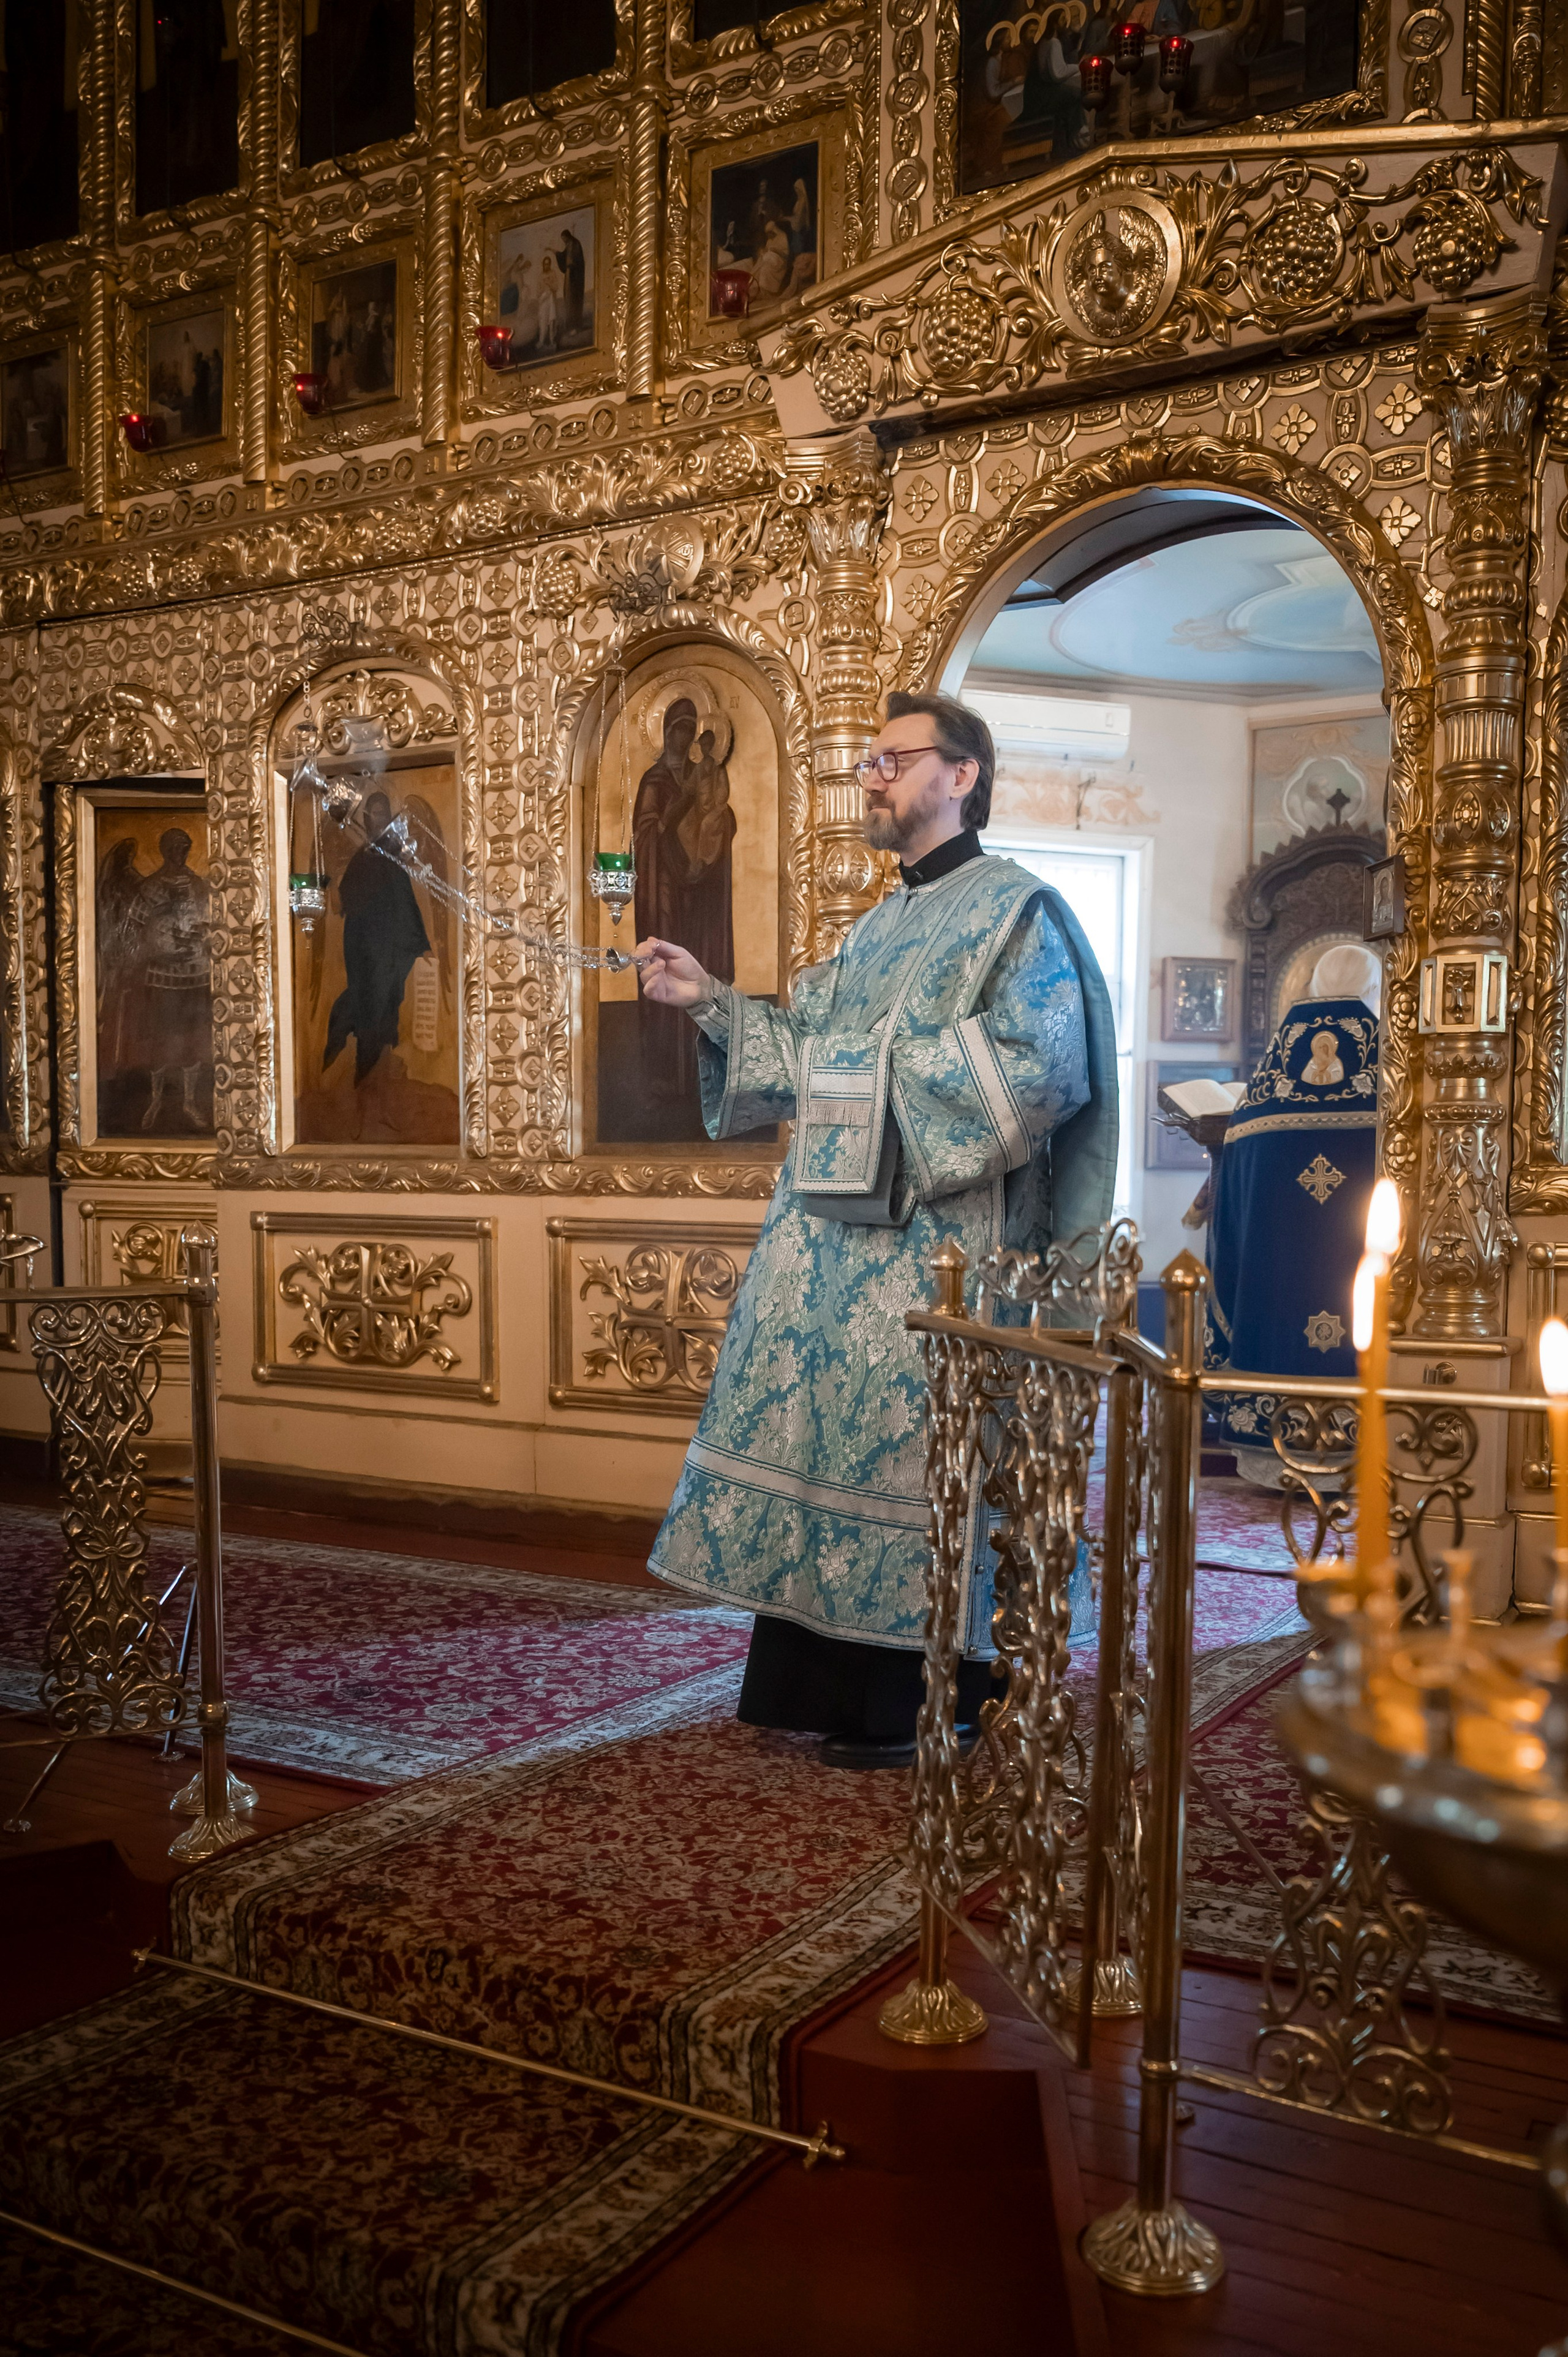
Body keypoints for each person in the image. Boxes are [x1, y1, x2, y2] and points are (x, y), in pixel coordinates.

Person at [636, 692, 1119, 1767]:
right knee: (827, 1443)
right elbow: (806, 1049)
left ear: (962, 775)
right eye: (869, 759)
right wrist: (709, 997)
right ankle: (825, 1686)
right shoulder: (874, 927)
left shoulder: (1020, 913)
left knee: (922, 1459)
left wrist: (869, 1077)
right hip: (836, 1250)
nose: (872, 776)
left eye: (894, 759)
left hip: (947, 1251)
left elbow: (1044, 1068)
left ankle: (929, 1694)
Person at [1204, 941, 1382, 1485]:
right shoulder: (1396, 1095)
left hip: (1274, 1288)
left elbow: (1230, 1215)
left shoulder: (1258, 1105)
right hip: (1360, 1284)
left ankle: (1273, 1463)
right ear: (1377, 992)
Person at [323, 790, 432, 1086]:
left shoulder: (395, 857)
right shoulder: (362, 859)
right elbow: (343, 903)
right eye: (376, 814)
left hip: (391, 947)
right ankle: (364, 1075)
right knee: (368, 1003)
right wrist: (334, 878)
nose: (380, 819)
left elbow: (406, 901)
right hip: (364, 948)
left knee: (387, 1004)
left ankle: (379, 1081)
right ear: (368, 819)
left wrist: (421, 946)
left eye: (385, 814)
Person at [118, 827, 213, 1132]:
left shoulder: (199, 886)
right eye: (174, 846)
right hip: (161, 976)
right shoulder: (150, 888)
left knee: (192, 1040)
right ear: (163, 850)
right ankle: (156, 1099)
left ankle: (189, 1101)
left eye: (185, 847)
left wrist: (203, 936)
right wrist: (155, 950)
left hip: (196, 974)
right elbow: (130, 930)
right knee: (160, 1039)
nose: (180, 852)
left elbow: (213, 923)